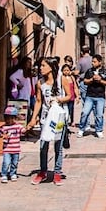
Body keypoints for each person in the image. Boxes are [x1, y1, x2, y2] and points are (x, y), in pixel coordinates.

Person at [26, 57, 72, 185]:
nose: (40, 68)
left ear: (51, 67)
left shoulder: (61, 78)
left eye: (43, 66)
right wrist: (33, 117)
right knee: (43, 145)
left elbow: (69, 95)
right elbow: (39, 101)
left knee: (58, 145)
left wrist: (59, 100)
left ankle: (57, 172)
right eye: (40, 66)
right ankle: (43, 171)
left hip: (59, 117)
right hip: (45, 118)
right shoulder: (40, 83)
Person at [77, 54, 106, 137]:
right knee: (85, 112)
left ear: (100, 62)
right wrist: (91, 79)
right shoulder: (89, 71)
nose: (92, 63)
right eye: (92, 61)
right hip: (89, 96)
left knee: (99, 114)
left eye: (94, 62)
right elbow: (85, 81)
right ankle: (81, 129)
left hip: (100, 96)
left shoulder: (105, 72)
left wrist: (100, 80)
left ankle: (99, 130)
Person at [0, 105, 24, 183]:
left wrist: (28, 128)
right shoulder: (3, 127)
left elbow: (23, 131)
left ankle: (13, 173)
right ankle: (4, 174)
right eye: (7, 118)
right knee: (6, 162)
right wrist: (2, 135)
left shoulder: (18, 126)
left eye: (11, 118)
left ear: (15, 118)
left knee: (14, 163)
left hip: (16, 149)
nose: (9, 120)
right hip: (7, 149)